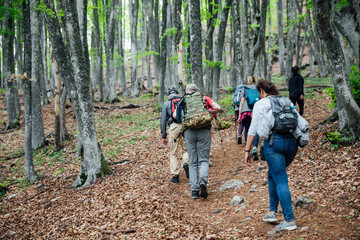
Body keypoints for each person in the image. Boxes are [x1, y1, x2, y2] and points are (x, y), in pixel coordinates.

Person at [244, 79, 308, 231]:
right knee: (273, 174)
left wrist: (247, 150)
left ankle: (289, 220)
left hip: (274, 145)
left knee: (280, 179)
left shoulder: (260, 104)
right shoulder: (285, 100)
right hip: (292, 144)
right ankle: (272, 212)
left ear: (261, 91)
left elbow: (253, 130)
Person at [175, 84, 221, 199]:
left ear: (186, 91)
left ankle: (194, 191)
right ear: (197, 91)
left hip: (189, 131)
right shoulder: (204, 99)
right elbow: (218, 108)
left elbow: (175, 115)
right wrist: (208, 112)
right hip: (204, 131)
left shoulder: (184, 100)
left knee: (193, 161)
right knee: (204, 159)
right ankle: (203, 182)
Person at [160, 89, 189, 184]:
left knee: (173, 153)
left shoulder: (166, 104)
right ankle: (186, 162)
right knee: (186, 149)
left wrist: (163, 135)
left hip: (174, 128)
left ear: (169, 96)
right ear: (177, 94)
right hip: (185, 126)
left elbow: (163, 121)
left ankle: (175, 176)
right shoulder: (183, 101)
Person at [237, 76, 260, 159]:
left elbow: (242, 102)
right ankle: (254, 147)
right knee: (256, 130)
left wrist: (240, 115)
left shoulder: (244, 88)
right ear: (254, 81)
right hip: (255, 111)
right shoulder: (258, 88)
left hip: (246, 112)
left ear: (247, 81)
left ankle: (248, 149)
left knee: (247, 129)